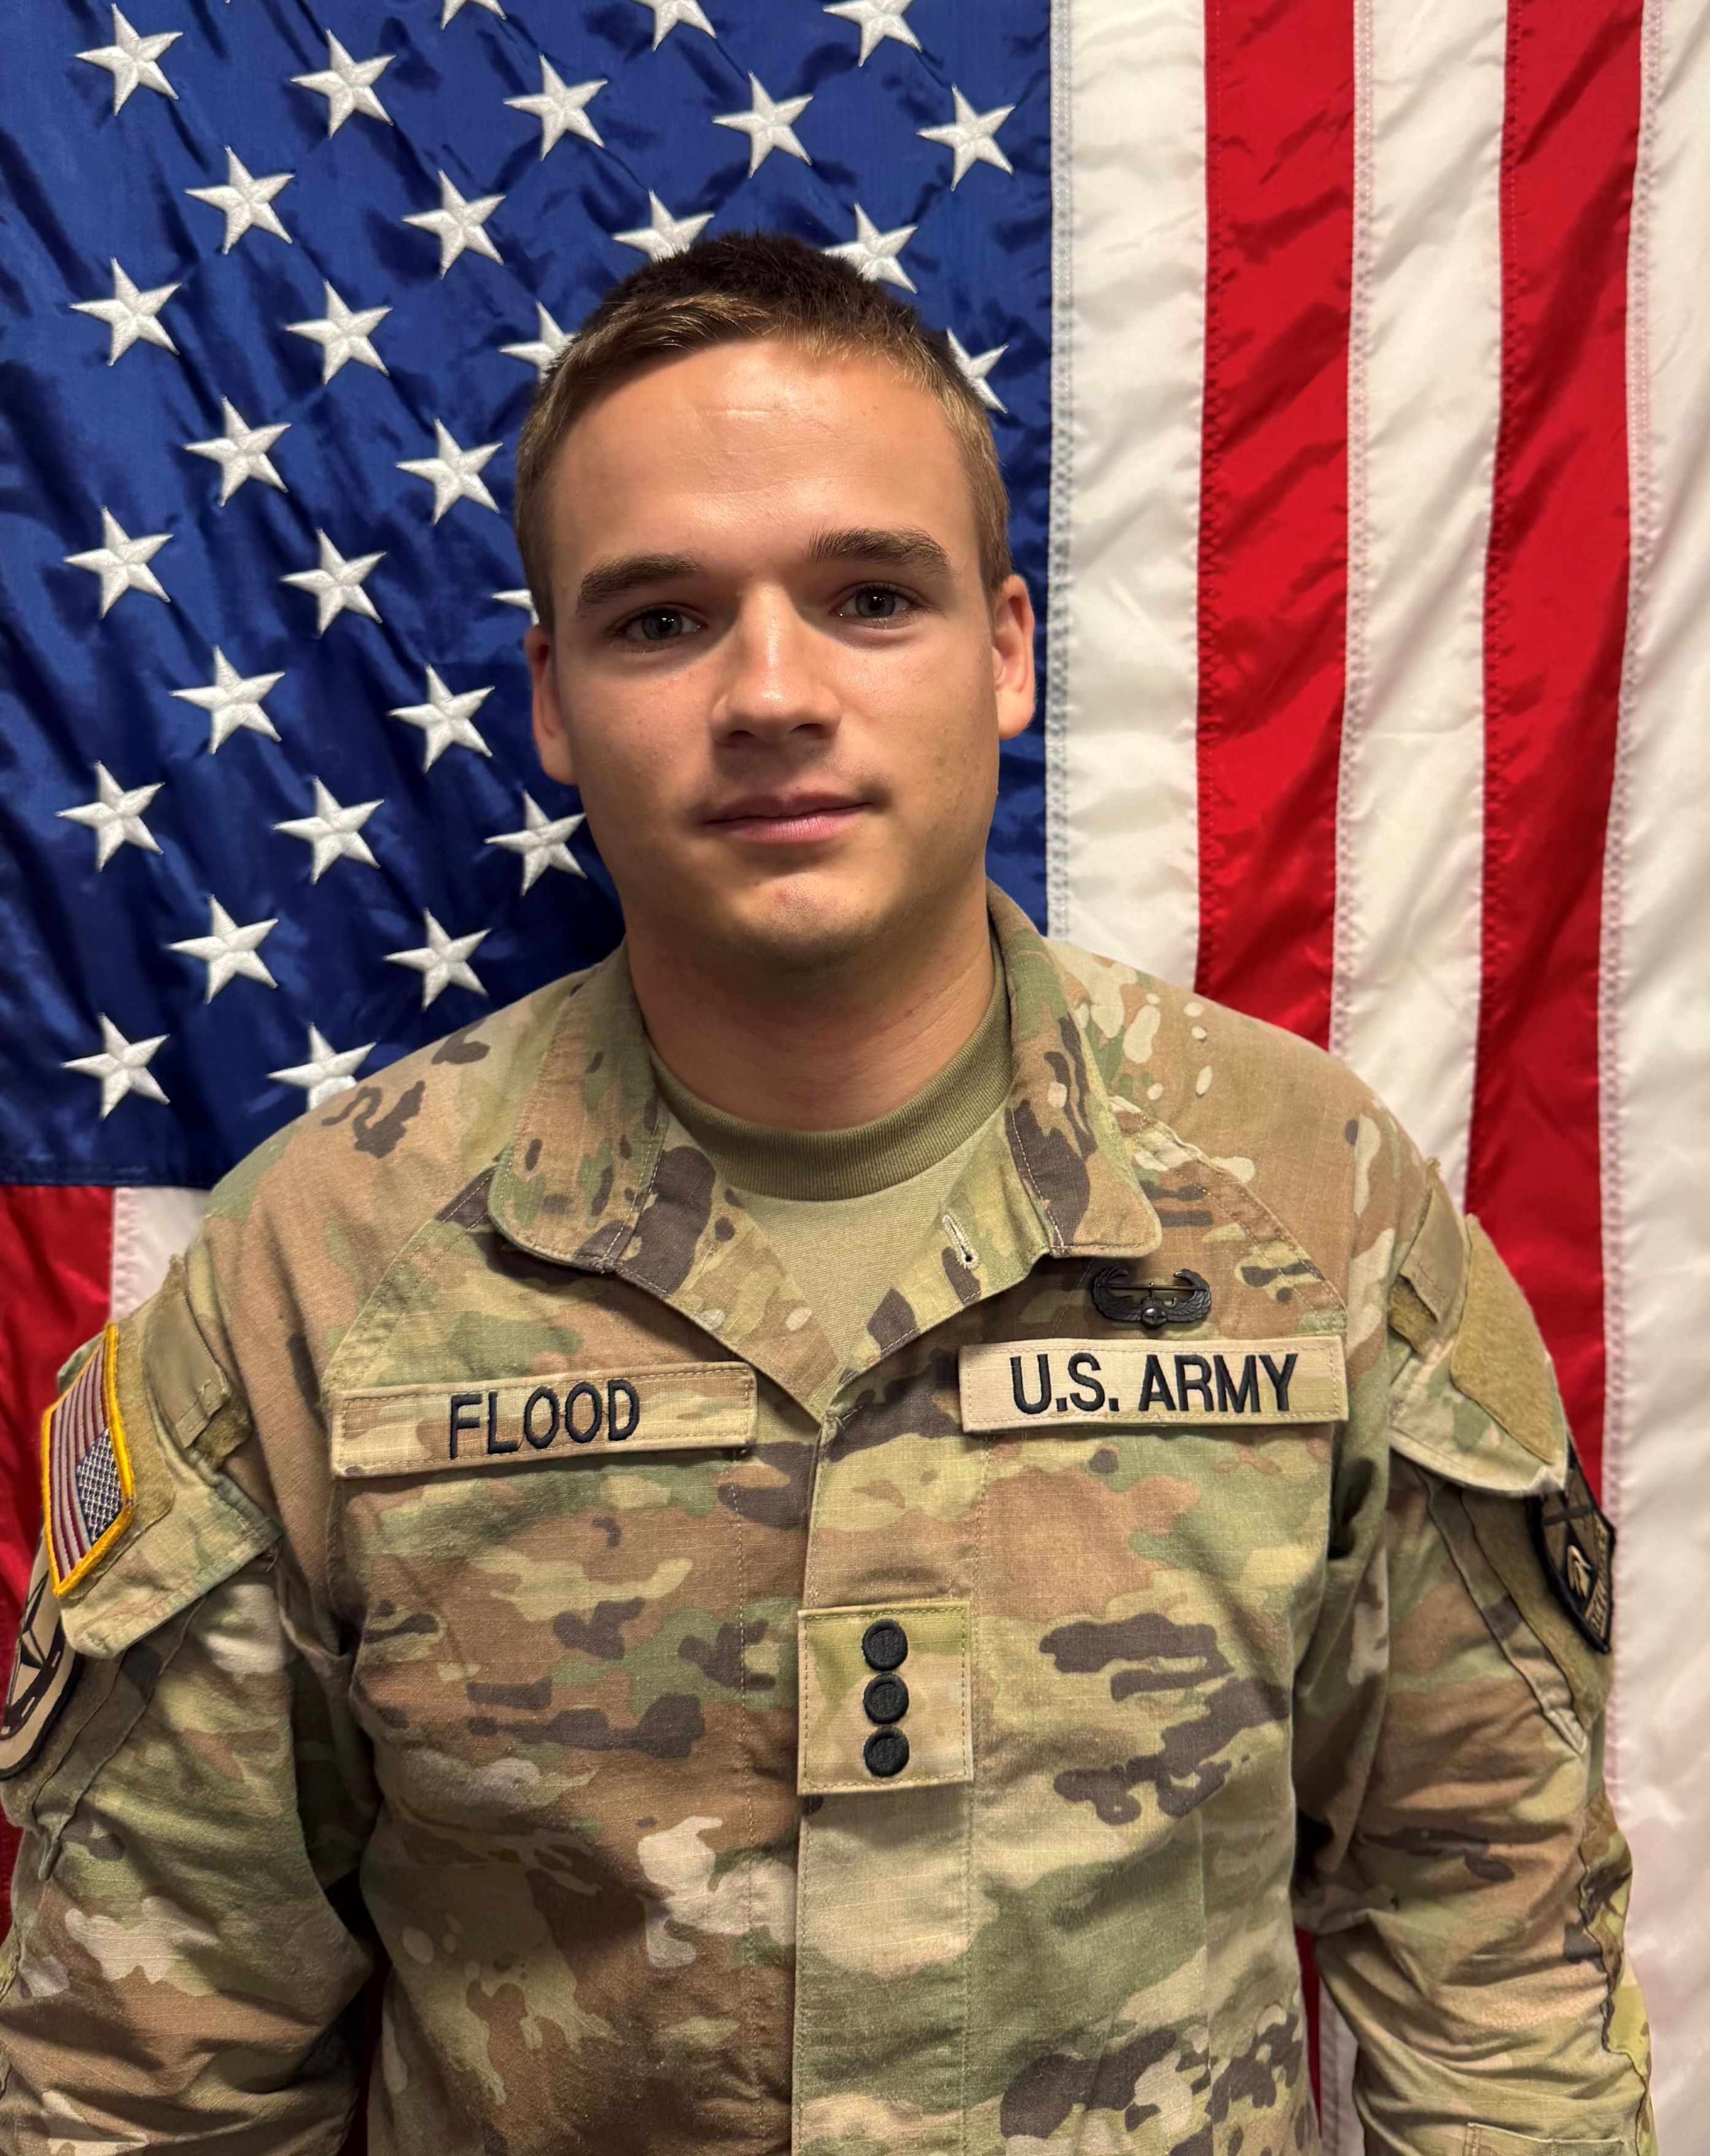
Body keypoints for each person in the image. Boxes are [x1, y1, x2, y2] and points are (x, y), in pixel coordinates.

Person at [0, 233, 1652, 2155]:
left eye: (869, 597)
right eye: (661, 620)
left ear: (1009, 649)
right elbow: (155, 2067)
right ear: (549, 702)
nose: (771, 693)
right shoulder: (322, 1270)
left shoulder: (1305, 1198)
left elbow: (1493, 1944)